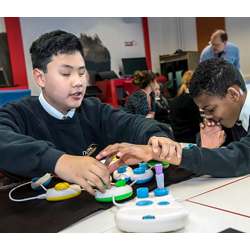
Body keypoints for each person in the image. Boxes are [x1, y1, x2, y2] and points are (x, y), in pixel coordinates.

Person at [0, 30, 176, 195]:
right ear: (40, 77)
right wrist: (60, 162)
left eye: (82, 73)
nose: (78, 82)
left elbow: (134, 123)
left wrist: (157, 137)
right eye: (66, 73)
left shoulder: (94, 110)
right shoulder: (18, 114)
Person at [97, 58, 250, 178]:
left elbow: (239, 158)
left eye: (210, 109)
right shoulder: (233, 115)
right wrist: (205, 149)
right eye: (204, 112)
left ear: (233, 94)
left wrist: (156, 153)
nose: (210, 117)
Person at [168, 70, 201, 143]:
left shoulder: (175, 100)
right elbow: (196, 124)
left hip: (177, 139)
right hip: (191, 139)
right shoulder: (191, 101)